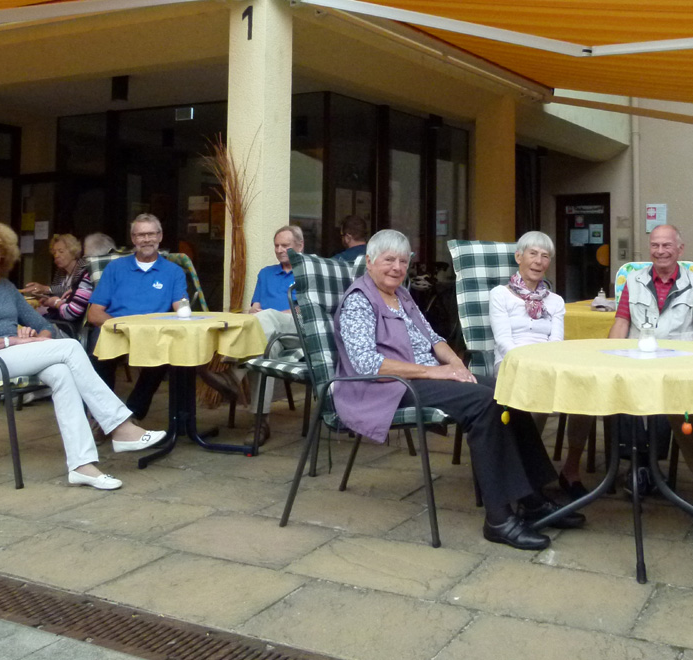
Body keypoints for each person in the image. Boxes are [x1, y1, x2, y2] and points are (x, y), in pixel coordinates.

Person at [335, 229, 583, 551]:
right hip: (388, 388)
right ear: (369, 262)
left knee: (508, 390)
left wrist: (459, 369)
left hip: (423, 376)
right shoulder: (359, 301)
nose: (397, 267)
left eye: (402, 260)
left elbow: (435, 339)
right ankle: (499, 518)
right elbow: (368, 364)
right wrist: (437, 373)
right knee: (484, 404)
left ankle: (533, 499)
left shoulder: (402, 296)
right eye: (388, 260)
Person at [0, 221, 165, 490]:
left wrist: (40, 338)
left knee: (61, 373)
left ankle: (82, 466)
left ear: (3, 254)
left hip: (12, 356)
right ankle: (119, 424)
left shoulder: (5, 287)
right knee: (71, 347)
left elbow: (45, 326)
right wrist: (9, 340)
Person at [608, 225, 693, 510]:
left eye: (666, 245)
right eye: (655, 246)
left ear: (680, 249)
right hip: (638, 360)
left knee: (669, 404)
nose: (660, 251)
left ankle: (650, 468)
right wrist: (608, 358)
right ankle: (638, 465)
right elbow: (621, 322)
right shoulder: (633, 280)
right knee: (618, 397)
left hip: (677, 363)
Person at [488, 232, 579, 494]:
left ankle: (571, 469)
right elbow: (503, 340)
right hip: (511, 363)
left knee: (585, 396)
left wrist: (544, 366)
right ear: (519, 257)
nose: (539, 261)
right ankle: (529, 471)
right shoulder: (500, 295)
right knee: (536, 397)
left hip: (547, 364)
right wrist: (530, 364)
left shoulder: (555, 301)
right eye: (533, 254)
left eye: (545, 256)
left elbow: (556, 342)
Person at [87, 214, 189, 417]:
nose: (146, 239)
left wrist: (185, 309)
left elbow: (181, 307)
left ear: (160, 236)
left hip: (154, 334)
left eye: (151, 234)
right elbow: (94, 313)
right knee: (98, 348)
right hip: (116, 330)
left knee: (167, 352)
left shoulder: (174, 272)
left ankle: (132, 414)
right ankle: (103, 417)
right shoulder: (115, 268)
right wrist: (122, 326)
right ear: (133, 239)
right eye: (141, 235)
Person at [238, 225, 305, 447]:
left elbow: (306, 310)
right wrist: (257, 312)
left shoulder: (308, 272)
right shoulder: (265, 273)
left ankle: (233, 373)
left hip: (296, 330)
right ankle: (260, 422)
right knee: (262, 350)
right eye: (276, 245)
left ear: (299, 246)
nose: (279, 249)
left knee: (266, 317)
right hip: (269, 335)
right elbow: (254, 306)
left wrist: (271, 314)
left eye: (285, 245)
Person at [22, 234, 92, 327]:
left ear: (73, 251)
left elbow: (71, 290)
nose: (56, 255)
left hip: (71, 322)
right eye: (54, 252)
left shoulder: (83, 267)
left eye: (61, 251)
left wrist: (46, 289)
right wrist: (46, 299)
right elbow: (57, 293)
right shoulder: (60, 271)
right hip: (57, 315)